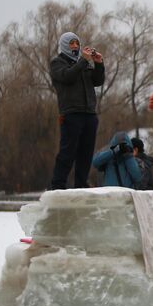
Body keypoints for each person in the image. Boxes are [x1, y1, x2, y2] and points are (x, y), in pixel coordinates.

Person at [49, 32, 105, 189]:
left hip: (89, 114)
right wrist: (83, 61)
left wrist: (98, 63)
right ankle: (57, 185)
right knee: (68, 152)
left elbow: (97, 81)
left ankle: (81, 183)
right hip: (71, 114)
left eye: (76, 43)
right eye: (71, 43)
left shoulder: (83, 62)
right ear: (64, 45)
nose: (75, 46)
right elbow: (67, 77)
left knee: (86, 153)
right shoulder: (57, 63)